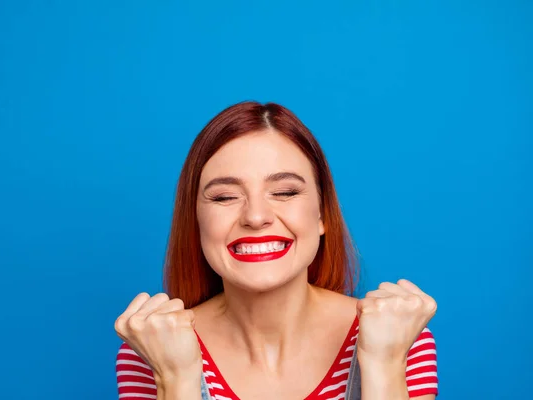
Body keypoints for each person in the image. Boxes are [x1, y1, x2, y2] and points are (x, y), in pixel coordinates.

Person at [114, 101, 438, 400]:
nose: (256, 217)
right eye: (225, 197)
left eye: (284, 191)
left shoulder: (400, 336)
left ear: (323, 213)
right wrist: (176, 378)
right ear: (196, 220)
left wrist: (384, 364)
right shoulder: (152, 347)